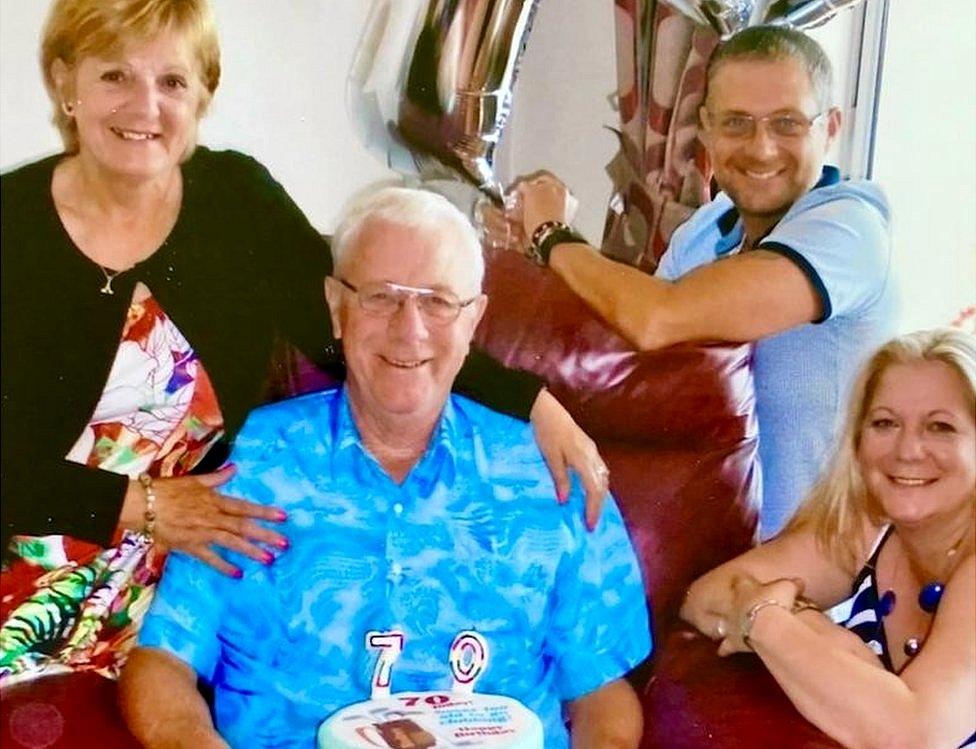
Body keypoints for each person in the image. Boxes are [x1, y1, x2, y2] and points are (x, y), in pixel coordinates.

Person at [0, 0, 608, 683]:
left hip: (169, 599)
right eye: (115, 76)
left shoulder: (236, 204)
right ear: (63, 84)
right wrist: (143, 506)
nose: (146, 106)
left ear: (202, 94)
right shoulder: (9, 226)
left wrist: (536, 403)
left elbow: (368, 328)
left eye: (172, 82)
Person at [119, 186, 651, 749]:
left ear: (474, 320)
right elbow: (163, 659)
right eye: (380, 297)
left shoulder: (549, 471)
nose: (410, 328)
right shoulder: (260, 461)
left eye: (439, 301)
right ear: (335, 306)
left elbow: (601, 693)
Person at [506, 25, 897, 538]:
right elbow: (629, 346)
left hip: (812, 581)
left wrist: (552, 235)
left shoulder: (848, 226)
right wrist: (523, 257)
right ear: (706, 130)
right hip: (707, 554)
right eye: (737, 123)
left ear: (831, 128)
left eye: (787, 123)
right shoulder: (705, 232)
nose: (761, 149)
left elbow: (660, 316)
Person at [680, 328, 975, 749]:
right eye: (885, 423)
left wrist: (768, 621)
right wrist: (810, 623)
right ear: (857, 441)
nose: (908, 450)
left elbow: (912, 736)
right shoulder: (869, 528)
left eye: (940, 427)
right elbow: (704, 597)